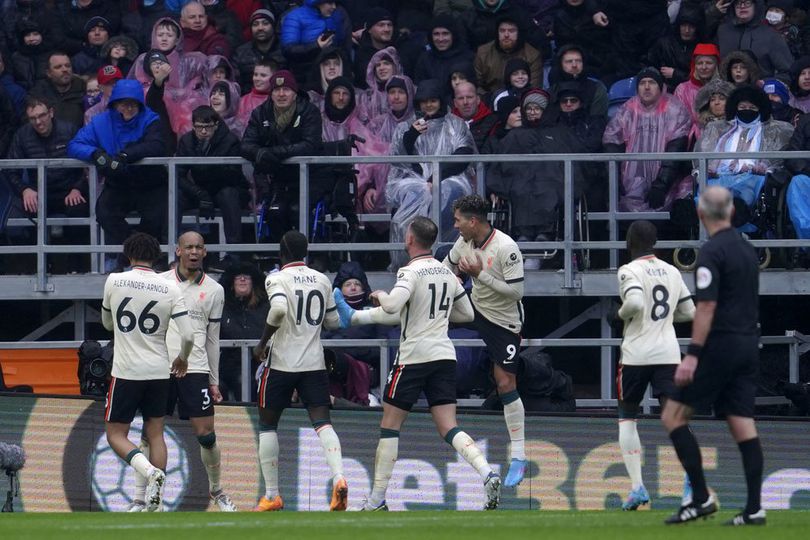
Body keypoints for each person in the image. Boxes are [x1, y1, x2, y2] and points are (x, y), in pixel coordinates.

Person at [333, 216, 502, 511]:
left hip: (413, 358)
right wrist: (431, 317)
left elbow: (393, 306)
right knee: (449, 426)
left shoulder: (409, 272)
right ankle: (487, 471)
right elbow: (466, 314)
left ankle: (376, 500)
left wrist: (380, 295)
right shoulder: (446, 273)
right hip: (443, 356)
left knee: (389, 426)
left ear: (410, 239)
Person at [661, 186, 765, 526]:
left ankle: (702, 497)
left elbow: (706, 307)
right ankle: (753, 509)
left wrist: (692, 355)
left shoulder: (711, 252)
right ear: (732, 212)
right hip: (748, 344)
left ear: (701, 214)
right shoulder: (747, 250)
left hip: (720, 346)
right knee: (742, 423)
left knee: (674, 416)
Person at [122, 231, 236, 512]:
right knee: (150, 433)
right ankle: (140, 498)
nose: (194, 252)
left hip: (195, 368)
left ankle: (217, 491)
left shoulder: (215, 290)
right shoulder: (159, 283)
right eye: (189, 247)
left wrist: (214, 380)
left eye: (199, 247)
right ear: (178, 251)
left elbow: (213, 338)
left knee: (206, 434)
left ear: (205, 252)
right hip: (159, 366)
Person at [251, 230, 348, 512]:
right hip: (314, 364)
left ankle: (272, 495)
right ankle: (339, 478)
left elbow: (279, 310)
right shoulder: (321, 279)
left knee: (268, 425)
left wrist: (262, 343)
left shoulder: (277, 278)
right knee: (323, 423)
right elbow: (332, 322)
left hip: (281, 363)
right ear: (305, 252)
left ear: (281, 253)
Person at [101, 232, 194, 513]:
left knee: (115, 434)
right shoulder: (170, 288)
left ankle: (150, 472)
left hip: (127, 370)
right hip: (158, 371)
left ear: (128, 255)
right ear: (156, 257)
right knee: (155, 433)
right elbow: (188, 335)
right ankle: (156, 500)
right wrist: (183, 359)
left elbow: (107, 323)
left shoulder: (115, 280)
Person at [441, 195, 528, 487]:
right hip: (473, 308)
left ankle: (518, 455)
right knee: (423, 316)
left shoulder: (506, 247)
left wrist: (480, 275)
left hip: (503, 320)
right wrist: (438, 281)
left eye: (458, 221)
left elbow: (516, 293)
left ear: (473, 221)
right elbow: (447, 267)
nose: (455, 226)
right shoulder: (464, 242)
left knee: (504, 382)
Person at [615, 220, 695, 511]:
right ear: (655, 243)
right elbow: (689, 311)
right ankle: (692, 481)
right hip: (668, 353)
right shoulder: (672, 271)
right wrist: (661, 319)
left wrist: (622, 314)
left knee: (627, 417)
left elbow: (634, 303)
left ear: (629, 242)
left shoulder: (629, 270)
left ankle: (637, 487)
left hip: (636, 355)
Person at [67, 78, 168, 271]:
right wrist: (95, 153)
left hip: (150, 182)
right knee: (104, 212)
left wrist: (126, 155)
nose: (128, 108)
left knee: (155, 217)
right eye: (123, 104)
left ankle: (132, 257)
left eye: (133, 104)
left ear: (140, 104)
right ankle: (138, 252)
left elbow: (157, 145)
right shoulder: (100, 122)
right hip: (119, 182)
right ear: (114, 105)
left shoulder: (150, 118)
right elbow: (74, 145)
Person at [385, 78, 475, 268]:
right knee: (415, 195)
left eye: (433, 100)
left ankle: (447, 257)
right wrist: (411, 136)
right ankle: (409, 259)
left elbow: (464, 153)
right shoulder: (406, 127)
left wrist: (437, 176)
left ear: (441, 101)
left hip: (451, 178)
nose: (429, 105)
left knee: (446, 192)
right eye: (424, 101)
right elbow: (400, 161)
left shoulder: (455, 125)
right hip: (413, 180)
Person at [240, 70, 327, 243]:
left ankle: (311, 256)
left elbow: (310, 145)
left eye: (286, 89)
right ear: (271, 93)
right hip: (277, 179)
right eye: (276, 90)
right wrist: (259, 153)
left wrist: (273, 153)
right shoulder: (260, 113)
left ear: (295, 93)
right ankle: (282, 258)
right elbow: (246, 145)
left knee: (297, 210)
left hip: (309, 179)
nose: (281, 94)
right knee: (274, 212)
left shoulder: (309, 111)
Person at [602, 67, 692, 212]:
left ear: (661, 86)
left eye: (652, 82)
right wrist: (614, 180)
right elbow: (611, 141)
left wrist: (662, 184)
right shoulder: (627, 109)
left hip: (664, 181)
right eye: (642, 83)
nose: (647, 87)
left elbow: (675, 151)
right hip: (630, 180)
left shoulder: (675, 110)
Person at [176, 105, 249, 266]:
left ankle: (234, 256)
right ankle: (172, 253)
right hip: (200, 191)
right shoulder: (187, 141)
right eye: (199, 127)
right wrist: (199, 193)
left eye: (207, 127)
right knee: (176, 197)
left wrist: (206, 194)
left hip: (227, 188)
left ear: (216, 125)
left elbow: (232, 175)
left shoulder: (230, 141)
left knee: (228, 195)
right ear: (193, 126)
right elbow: (178, 175)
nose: (203, 131)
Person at [219, 262, 269, 401]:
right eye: (238, 276)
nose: (242, 279)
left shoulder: (265, 307)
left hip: (258, 364)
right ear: (231, 282)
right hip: (228, 364)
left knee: (244, 382)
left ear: (254, 282)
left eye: (246, 276)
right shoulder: (223, 307)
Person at [714, 0, 793, 77]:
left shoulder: (771, 35)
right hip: (726, 88)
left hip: (760, 88)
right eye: (738, 2)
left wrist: (768, 85)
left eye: (747, 2)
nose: (742, 6)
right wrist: (714, 13)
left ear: (756, 5)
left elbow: (787, 71)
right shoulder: (722, 31)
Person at [473, 16, 542, 94]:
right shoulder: (483, 52)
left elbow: (534, 89)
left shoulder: (532, 55)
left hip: (522, 99)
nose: (506, 35)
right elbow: (476, 85)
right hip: (489, 100)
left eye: (511, 31)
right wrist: (491, 99)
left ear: (519, 33)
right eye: (502, 31)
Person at [232, 8, 285, 94]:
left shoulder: (284, 50)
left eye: (265, 23)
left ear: (273, 26)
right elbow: (235, 82)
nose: (260, 28)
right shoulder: (241, 52)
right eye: (255, 24)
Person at [30, 51, 86, 127]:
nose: (65, 69)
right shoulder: (38, 94)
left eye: (68, 65)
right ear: (49, 73)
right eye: (58, 67)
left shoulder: (84, 89)